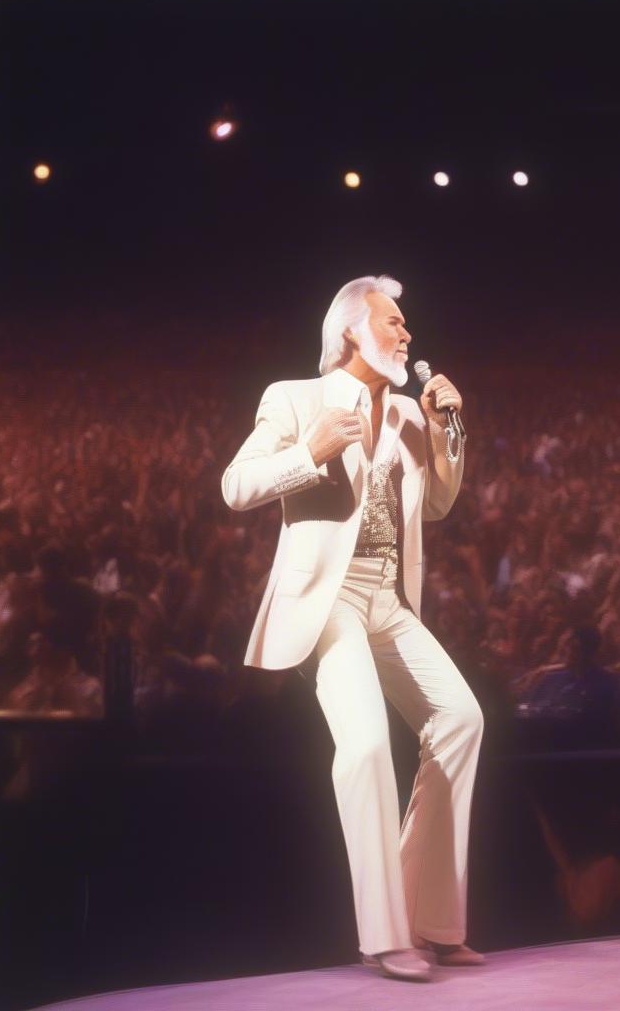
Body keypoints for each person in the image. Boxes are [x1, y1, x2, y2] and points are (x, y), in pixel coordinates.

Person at [221, 275, 483, 982]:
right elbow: (235, 486)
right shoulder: (294, 398)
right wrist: (308, 451)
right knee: (367, 744)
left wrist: (447, 430)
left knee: (460, 718)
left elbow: (437, 508)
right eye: (393, 321)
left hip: (388, 597)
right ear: (350, 331)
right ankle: (382, 934)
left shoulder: (404, 412)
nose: (406, 333)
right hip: (328, 599)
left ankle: (428, 920)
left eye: (405, 324)